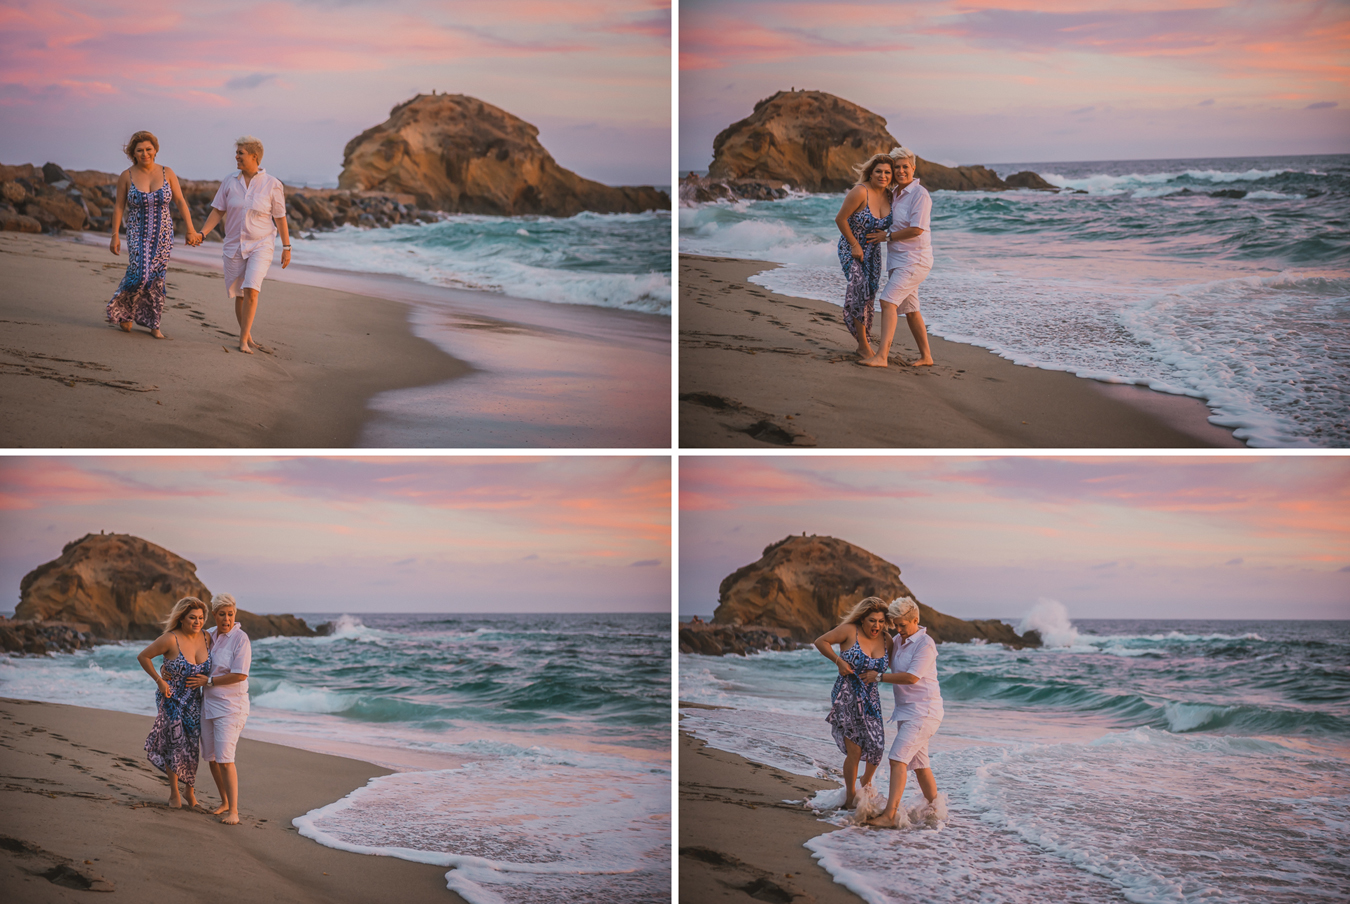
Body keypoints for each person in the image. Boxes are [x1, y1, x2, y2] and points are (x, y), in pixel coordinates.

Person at [192, 136, 291, 354]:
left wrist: (286, 247)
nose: (236, 157)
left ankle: (243, 341)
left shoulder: (272, 184)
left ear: (254, 157)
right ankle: (248, 335)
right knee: (240, 293)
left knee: (251, 289)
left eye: (240, 153)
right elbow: (218, 210)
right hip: (234, 245)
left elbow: (280, 217)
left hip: (262, 243)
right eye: (237, 153)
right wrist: (202, 233)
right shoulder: (230, 181)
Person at [106, 131, 201, 339]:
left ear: (155, 150)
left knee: (157, 278)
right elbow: (119, 207)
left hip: (163, 234)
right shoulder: (126, 176)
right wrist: (115, 235)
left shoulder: (168, 172)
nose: (145, 153)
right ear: (133, 153)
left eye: (148, 149)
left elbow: (180, 201)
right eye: (140, 150)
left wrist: (190, 229)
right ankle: (124, 312)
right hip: (137, 232)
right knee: (140, 273)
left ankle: (154, 323)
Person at [861, 596, 944, 827]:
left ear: (915, 620)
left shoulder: (925, 644)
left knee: (897, 759)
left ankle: (890, 815)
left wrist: (878, 677)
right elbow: (881, 659)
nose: (898, 630)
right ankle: (935, 812)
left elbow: (912, 677)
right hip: (907, 713)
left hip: (924, 712)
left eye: (902, 625)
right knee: (919, 766)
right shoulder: (898, 640)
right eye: (895, 625)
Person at [813, 596, 894, 810]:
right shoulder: (850, 630)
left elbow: (898, 665)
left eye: (880, 621)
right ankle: (850, 797)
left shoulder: (887, 640)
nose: (876, 625)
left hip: (871, 698)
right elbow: (820, 641)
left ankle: (865, 784)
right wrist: (838, 661)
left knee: (877, 748)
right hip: (847, 693)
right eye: (871, 620)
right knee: (855, 750)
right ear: (862, 619)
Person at [136, 596, 212, 808]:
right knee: (175, 743)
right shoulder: (170, 639)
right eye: (192, 618)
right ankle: (174, 793)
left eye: (200, 617)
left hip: (195, 700)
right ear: (181, 618)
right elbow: (143, 657)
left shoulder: (207, 637)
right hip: (171, 697)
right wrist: (160, 680)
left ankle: (189, 792)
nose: (197, 622)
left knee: (191, 746)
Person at [861, 146, 934, 367]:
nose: (901, 171)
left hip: (915, 260)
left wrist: (887, 236)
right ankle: (926, 357)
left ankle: (882, 356)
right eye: (897, 168)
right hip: (898, 260)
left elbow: (917, 229)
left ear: (913, 168)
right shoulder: (895, 194)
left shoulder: (919, 194)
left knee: (887, 301)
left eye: (905, 167)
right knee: (911, 310)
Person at [199, 594, 252, 825]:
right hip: (208, 705)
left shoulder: (241, 639)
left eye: (230, 614)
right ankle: (224, 802)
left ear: (235, 615)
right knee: (211, 757)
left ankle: (235, 812)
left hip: (231, 707)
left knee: (225, 759)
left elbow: (240, 674)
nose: (227, 618)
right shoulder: (208, 635)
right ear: (214, 615)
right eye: (222, 614)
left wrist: (209, 682)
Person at [835, 155, 894, 358]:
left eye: (887, 172)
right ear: (871, 172)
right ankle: (863, 346)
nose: (883, 175)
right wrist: (854, 245)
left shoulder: (890, 196)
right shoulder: (861, 191)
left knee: (869, 297)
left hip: (873, 253)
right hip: (851, 249)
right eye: (879, 171)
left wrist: (886, 236)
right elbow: (840, 219)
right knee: (859, 291)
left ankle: (864, 340)